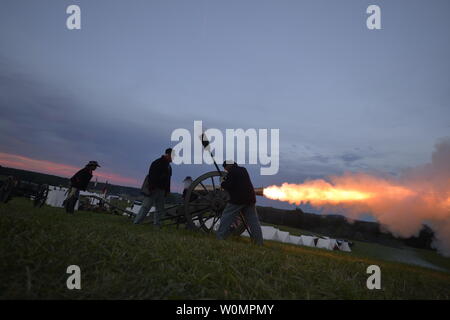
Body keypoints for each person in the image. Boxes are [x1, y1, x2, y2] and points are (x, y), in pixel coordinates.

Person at [216, 160, 263, 245]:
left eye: (225, 167)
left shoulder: (232, 172)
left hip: (238, 199)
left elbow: (229, 186)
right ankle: (259, 242)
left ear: (228, 166)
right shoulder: (243, 170)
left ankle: (220, 237)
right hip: (250, 198)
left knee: (226, 217)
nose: (225, 170)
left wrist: (222, 182)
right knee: (253, 222)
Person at [134, 148, 173, 226]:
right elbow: (151, 177)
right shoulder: (157, 163)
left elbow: (168, 180)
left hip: (162, 190)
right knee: (145, 207)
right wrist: (151, 188)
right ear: (168, 155)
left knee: (159, 209)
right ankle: (137, 222)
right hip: (153, 189)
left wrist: (167, 190)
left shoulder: (169, 167)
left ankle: (157, 225)